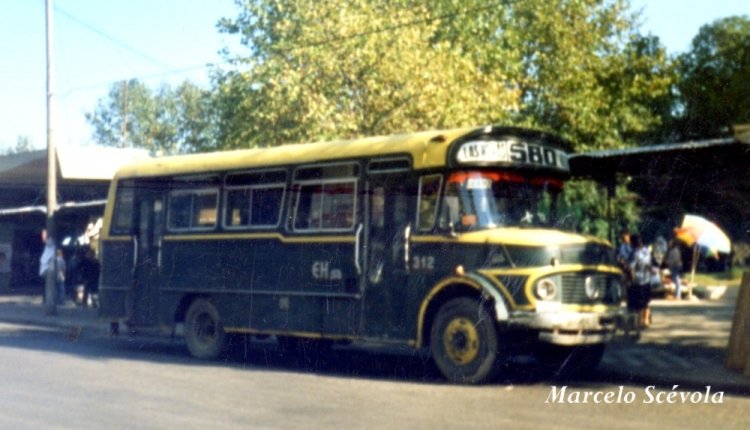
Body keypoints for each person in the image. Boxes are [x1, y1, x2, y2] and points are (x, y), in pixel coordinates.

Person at [628, 235, 653, 328]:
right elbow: (649, 265)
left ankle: (640, 320)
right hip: (647, 279)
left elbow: (631, 268)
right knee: (646, 302)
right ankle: (645, 320)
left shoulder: (635, 253)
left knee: (638, 303)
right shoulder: (647, 251)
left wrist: (630, 279)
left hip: (637, 281)